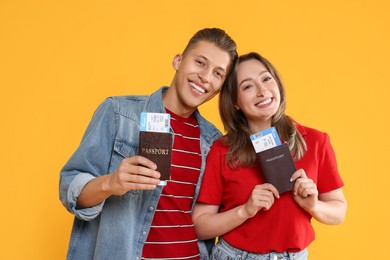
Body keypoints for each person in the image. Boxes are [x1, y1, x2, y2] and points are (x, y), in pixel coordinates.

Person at [59, 28, 238, 260]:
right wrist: (111, 183)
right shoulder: (118, 114)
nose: (205, 77)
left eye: (217, 74)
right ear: (178, 61)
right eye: (200, 62)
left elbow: (211, 218)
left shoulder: (213, 141)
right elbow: (69, 186)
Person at [192, 52, 347, 259]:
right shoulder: (222, 150)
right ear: (235, 102)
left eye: (266, 79)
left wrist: (314, 206)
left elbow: (339, 212)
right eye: (248, 86)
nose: (262, 91)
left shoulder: (317, 141)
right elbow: (200, 225)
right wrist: (245, 210)